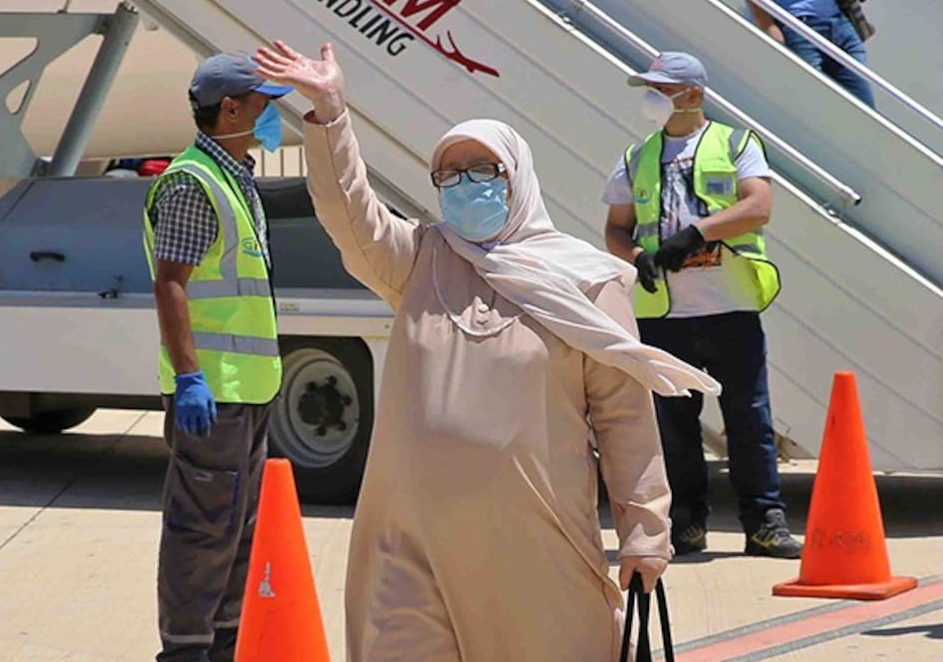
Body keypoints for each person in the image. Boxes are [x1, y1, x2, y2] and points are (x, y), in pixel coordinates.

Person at [254, 40, 722, 661]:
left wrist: (645, 531)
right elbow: (348, 214)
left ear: (517, 178)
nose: (463, 186)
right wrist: (331, 113)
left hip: (532, 544)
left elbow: (624, 418)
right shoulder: (420, 258)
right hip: (409, 542)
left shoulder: (583, 281)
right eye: (449, 175)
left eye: (482, 171)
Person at [600, 52, 803, 560]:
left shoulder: (736, 144)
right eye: (649, 87)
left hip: (729, 306)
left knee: (748, 418)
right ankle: (687, 523)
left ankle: (764, 523)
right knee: (674, 425)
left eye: (662, 88)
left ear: (693, 94)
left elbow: (758, 205)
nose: (652, 97)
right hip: (664, 314)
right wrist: (636, 256)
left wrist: (697, 234)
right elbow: (615, 227)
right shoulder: (636, 156)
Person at [143, 52, 291, 662]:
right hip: (216, 392)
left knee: (237, 531)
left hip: (248, 389)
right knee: (202, 531)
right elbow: (170, 281)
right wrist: (190, 377)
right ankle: (185, 651)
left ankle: (224, 645)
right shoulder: (191, 183)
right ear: (229, 108)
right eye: (262, 105)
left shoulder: (234, 176)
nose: (270, 115)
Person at [744, 0, 875, 107]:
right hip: (794, 25)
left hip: (837, 19)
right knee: (816, 104)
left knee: (863, 105)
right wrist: (767, 25)